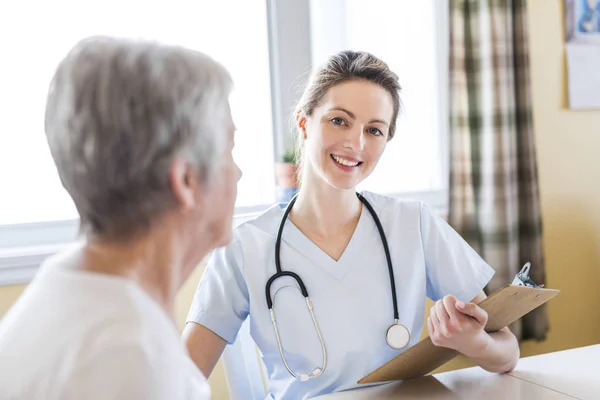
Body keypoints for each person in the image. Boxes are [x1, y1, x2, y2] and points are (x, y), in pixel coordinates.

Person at [182, 50, 520, 399]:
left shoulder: (414, 224)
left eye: (374, 130)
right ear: (303, 122)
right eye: (339, 120)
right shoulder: (243, 248)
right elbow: (177, 381)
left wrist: (473, 341)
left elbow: (507, 352)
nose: (356, 143)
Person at [0, 36, 241, 399]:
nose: (238, 174)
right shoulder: (130, 357)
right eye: (230, 150)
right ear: (186, 180)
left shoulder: (63, 289)